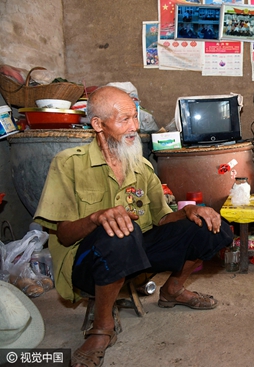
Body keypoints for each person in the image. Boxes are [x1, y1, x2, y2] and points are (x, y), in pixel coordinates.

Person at [33, 86, 233, 367]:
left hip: (135, 255)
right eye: (124, 119)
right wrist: (96, 218)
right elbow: (64, 236)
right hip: (86, 264)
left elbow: (163, 218)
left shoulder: (141, 166)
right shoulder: (68, 164)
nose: (135, 127)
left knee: (213, 227)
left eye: (135, 118)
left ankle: (173, 290)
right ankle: (102, 328)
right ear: (98, 125)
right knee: (119, 232)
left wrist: (192, 212)